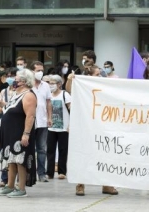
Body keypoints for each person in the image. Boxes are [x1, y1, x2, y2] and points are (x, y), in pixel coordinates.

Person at [66, 63, 118, 197]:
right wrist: (70, 79)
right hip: (84, 124)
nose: (100, 76)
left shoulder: (104, 85)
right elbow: (69, 90)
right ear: (89, 76)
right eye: (97, 74)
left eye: (100, 74)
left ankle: (107, 184)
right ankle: (80, 184)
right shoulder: (82, 86)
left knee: (105, 152)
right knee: (82, 153)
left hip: (102, 124)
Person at [0, 68, 38, 198]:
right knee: (11, 160)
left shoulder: (29, 95)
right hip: (10, 133)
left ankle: (21, 189)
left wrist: (26, 134)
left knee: (20, 160)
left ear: (24, 82)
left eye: (16, 80)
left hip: (19, 132)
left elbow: (30, 116)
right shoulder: (16, 94)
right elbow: (9, 108)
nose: (14, 82)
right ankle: (10, 185)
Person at [0, 67, 18, 188]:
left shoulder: (20, 92)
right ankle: (4, 179)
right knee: (4, 151)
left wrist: (5, 106)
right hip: (4, 124)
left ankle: (17, 180)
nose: (10, 78)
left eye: (13, 76)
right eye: (8, 75)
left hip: (16, 124)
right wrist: (5, 106)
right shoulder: (3, 92)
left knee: (16, 151)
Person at [30, 61, 52, 182]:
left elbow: (49, 102)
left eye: (41, 70)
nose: (40, 72)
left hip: (42, 121)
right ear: (32, 71)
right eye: (38, 70)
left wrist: (50, 117)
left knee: (42, 149)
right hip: (30, 121)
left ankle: (42, 173)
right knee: (29, 149)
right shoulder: (28, 85)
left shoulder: (46, 85)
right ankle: (29, 172)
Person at [46, 74, 71, 180]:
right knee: (50, 150)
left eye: (53, 83)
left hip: (64, 127)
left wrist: (70, 124)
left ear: (59, 84)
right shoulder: (49, 95)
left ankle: (62, 171)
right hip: (51, 127)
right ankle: (49, 172)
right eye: (49, 83)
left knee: (63, 149)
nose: (50, 85)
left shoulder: (65, 95)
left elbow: (72, 109)